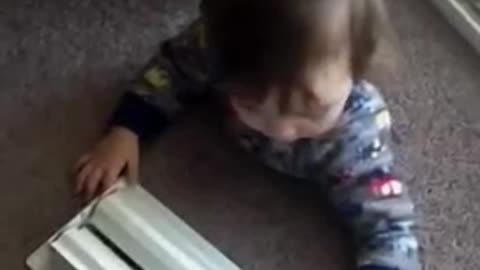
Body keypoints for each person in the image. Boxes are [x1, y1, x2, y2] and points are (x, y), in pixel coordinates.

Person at [74, 0, 421, 269]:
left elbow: (391, 230)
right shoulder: (216, 48)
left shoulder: (355, 141)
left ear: (359, 67)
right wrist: (128, 127)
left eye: (312, 109)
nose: (283, 131)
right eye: (251, 105)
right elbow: (174, 68)